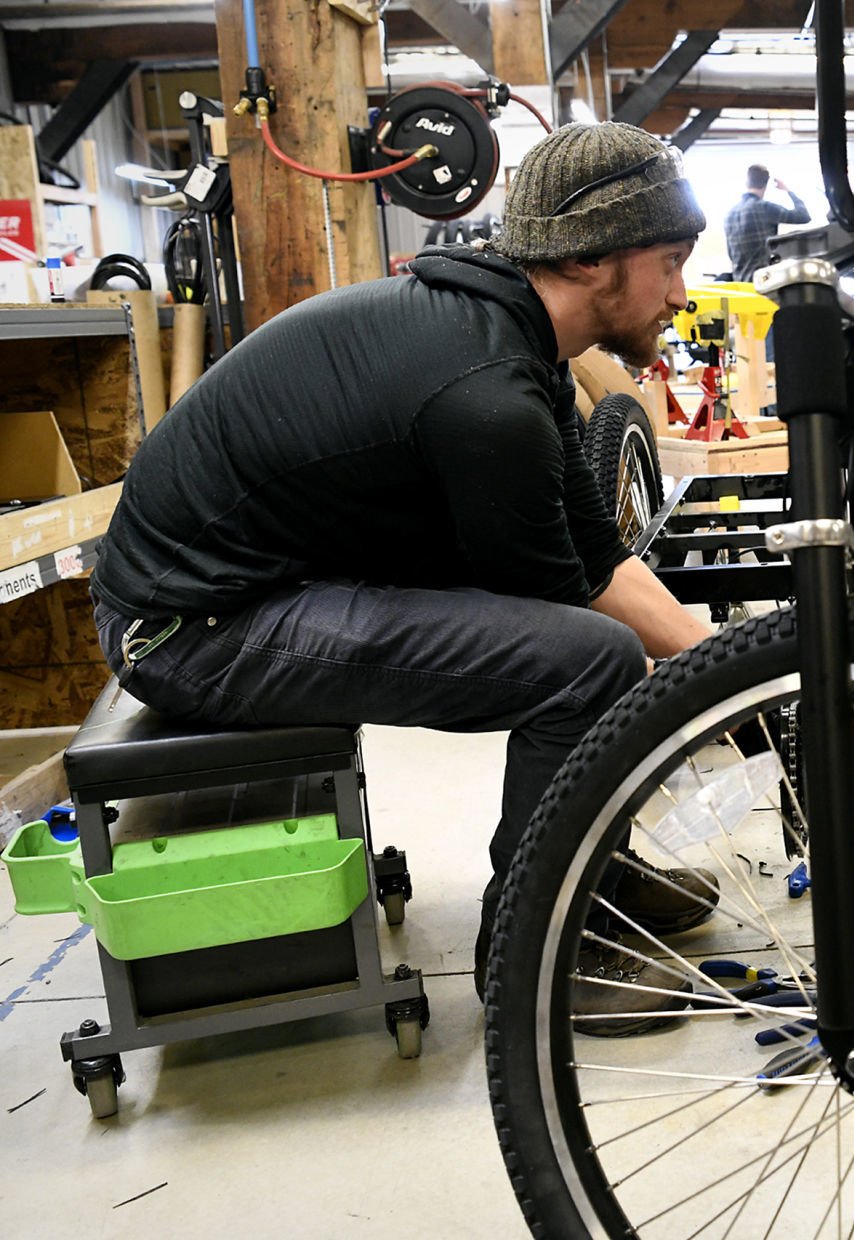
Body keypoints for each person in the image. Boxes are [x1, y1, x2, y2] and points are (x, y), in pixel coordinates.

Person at [90, 122, 717, 1035]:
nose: (681, 293)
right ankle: (538, 937)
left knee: (605, 654)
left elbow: (594, 551)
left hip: (250, 586)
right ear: (593, 260)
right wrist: (692, 691)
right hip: (192, 628)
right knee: (590, 665)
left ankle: (589, 863)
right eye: (670, 261)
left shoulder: (515, 339)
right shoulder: (487, 393)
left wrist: (727, 661)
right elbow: (562, 607)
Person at [723, 164, 811, 284]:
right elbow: (804, 216)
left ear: (747, 183)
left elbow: (731, 255)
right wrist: (788, 190)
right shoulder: (765, 208)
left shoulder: (730, 214)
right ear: (766, 184)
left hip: (741, 283)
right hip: (763, 282)